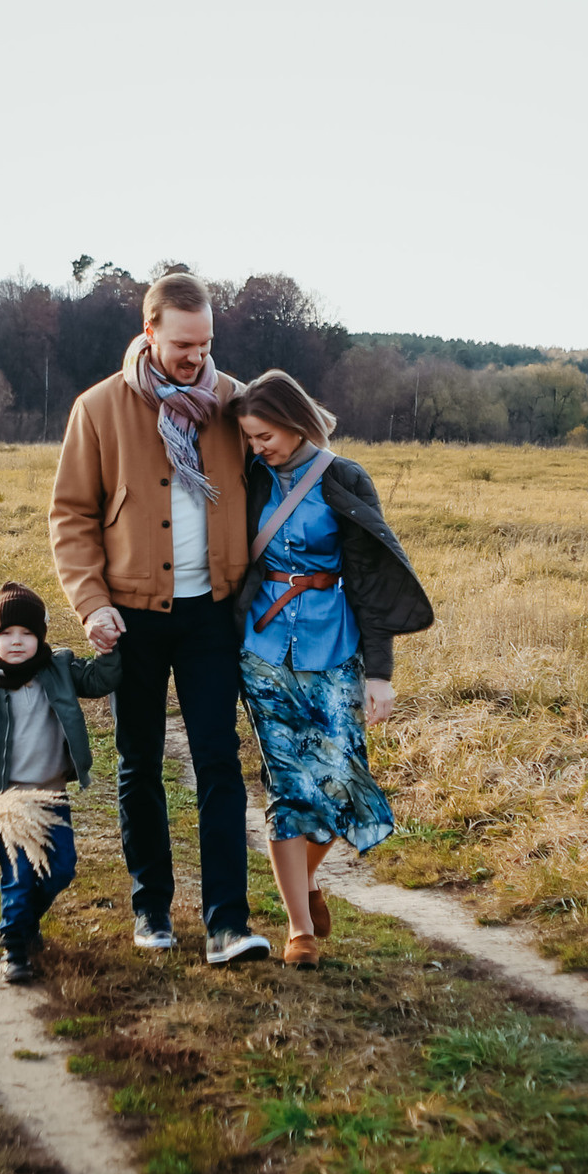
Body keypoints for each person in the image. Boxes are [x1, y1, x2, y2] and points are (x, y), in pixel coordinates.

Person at [48, 273, 272, 966]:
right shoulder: (99, 409)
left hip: (212, 617)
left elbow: (286, 462)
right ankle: (151, 908)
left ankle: (227, 923)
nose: (194, 358)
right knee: (139, 763)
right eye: (181, 344)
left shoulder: (234, 403)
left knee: (218, 762)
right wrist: (92, 604)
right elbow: (72, 516)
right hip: (131, 617)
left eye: (205, 344)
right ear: (150, 332)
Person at [229, 369, 434, 968]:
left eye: (264, 436)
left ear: (295, 423)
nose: (256, 447)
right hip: (261, 648)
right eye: (248, 437)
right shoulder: (248, 479)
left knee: (340, 784)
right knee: (288, 786)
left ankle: (310, 882)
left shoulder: (345, 478)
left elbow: (369, 581)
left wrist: (380, 674)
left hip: (335, 645)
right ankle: (299, 928)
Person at [0, 582, 123, 983]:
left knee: (59, 870)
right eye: (6, 634)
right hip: (9, 802)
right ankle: (14, 947)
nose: (16, 642)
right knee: (18, 875)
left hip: (52, 797)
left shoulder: (59, 669)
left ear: (39, 637)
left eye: (26, 634)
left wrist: (108, 652)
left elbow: (98, 681)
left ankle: (26, 922)